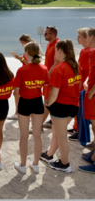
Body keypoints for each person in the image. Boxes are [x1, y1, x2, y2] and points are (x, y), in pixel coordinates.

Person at [40, 40, 81, 173]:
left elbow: (54, 94)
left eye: (56, 50)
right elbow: (78, 86)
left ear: (60, 51)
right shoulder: (76, 66)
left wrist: (48, 105)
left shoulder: (59, 69)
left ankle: (64, 164)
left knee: (61, 136)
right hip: (74, 105)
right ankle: (49, 154)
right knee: (57, 132)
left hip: (61, 106)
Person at [13, 42, 48, 174]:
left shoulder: (22, 70)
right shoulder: (43, 68)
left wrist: (16, 107)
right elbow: (45, 83)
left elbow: (16, 90)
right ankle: (36, 164)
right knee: (37, 135)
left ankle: (22, 165)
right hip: (38, 102)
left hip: (25, 102)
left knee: (23, 136)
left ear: (27, 53)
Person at [68, 28, 91, 140]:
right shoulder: (84, 51)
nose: (77, 39)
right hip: (82, 83)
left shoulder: (87, 52)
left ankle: (79, 131)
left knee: (80, 109)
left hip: (83, 85)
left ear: (86, 38)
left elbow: (83, 70)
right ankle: (76, 127)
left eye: (79, 37)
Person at [79, 27, 95, 173]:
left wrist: (91, 92)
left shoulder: (94, 52)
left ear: (91, 37)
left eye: (87, 36)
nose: (85, 39)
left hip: (92, 94)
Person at [8, 34, 33, 120]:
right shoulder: (31, 48)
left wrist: (20, 59)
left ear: (26, 42)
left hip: (26, 73)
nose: (22, 45)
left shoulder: (31, 50)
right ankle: (18, 112)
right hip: (25, 72)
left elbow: (30, 64)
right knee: (17, 93)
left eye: (22, 43)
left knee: (17, 92)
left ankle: (18, 112)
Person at [42, 26, 60, 130]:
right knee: (48, 100)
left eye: (46, 34)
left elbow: (56, 63)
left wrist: (47, 76)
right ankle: (51, 121)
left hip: (52, 77)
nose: (44, 35)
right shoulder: (50, 43)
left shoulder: (57, 45)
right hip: (49, 75)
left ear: (52, 35)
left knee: (47, 101)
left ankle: (39, 125)